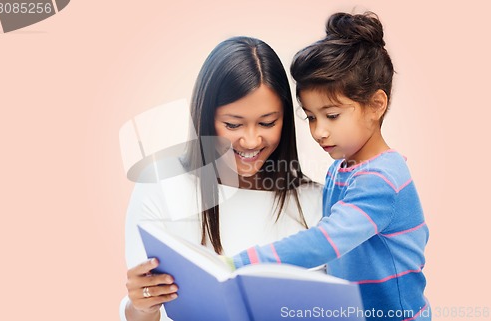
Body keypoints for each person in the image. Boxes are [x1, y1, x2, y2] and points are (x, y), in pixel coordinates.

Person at [229, 12, 430, 320]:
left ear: (376, 104)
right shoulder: (341, 169)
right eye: (311, 117)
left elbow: (326, 242)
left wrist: (240, 264)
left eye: (332, 115)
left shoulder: (382, 179)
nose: (319, 131)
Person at [120, 36, 324, 321]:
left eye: (267, 123)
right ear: (204, 117)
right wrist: (141, 306)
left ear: (285, 119)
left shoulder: (316, 202)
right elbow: (144, 311)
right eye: (233, 124)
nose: (251, 140)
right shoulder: (160, 188)